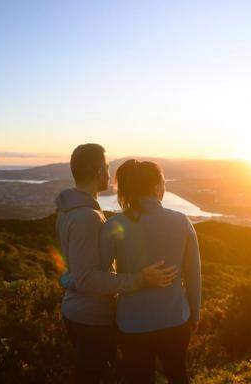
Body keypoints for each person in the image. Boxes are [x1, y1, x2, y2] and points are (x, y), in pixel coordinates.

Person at [56, 144, 177, 384]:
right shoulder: (86, 218)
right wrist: (140, 279)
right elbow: (88, 279)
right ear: (99, 171)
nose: (109, 174)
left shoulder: (68, 209)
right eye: (108, 167)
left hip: (77, 311)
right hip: (91, 317)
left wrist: (65, 279)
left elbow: (77, 271)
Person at [102, 159, 201, 384]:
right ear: (157, 186)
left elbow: (102, 276)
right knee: (178, 375)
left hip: (132, 324)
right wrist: (194, 314)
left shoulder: (114, 225)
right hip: (176, 319)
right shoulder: (181, 221)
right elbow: (194, 275)